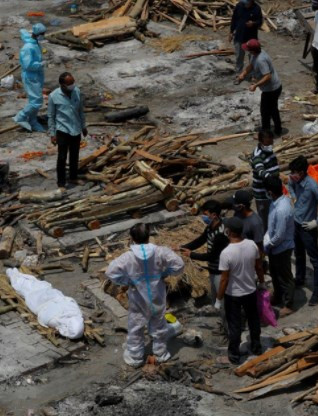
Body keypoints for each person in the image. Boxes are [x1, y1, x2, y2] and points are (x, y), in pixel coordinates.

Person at [106, 223, 185, 367]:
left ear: (131, 238)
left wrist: (128, 281)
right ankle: (160, 353)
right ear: (148, 236)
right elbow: (179, 265)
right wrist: (165, 273)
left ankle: (135, 357)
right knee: (159, 323)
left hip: (138, 296)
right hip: (157, 294)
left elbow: (111, 272)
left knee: (136, 326)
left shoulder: (127, 257)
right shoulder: (161, 252)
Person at [217, 217, 264, 364]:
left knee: (235, 325)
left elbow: (224, 279)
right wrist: (262, 282)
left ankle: (234, 354)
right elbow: (258, 266)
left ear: (228, 231)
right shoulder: (251, 245)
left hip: (233, 295)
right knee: (253, 320)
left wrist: (218, 299)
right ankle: (256, 346)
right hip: (250, 290)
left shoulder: (226, 253)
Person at [288, 156, 318, 306]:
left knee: (315, 260)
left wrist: (317, 222)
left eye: (294, 172)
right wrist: (293, 196)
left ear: (301, 172)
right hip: (296, 224)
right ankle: (299, 279)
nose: (291, 175)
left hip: (308, 228)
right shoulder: (294, 179)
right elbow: (289, 186)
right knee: (298, 254)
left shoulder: (312, 186)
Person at [179, 200, 229, 304]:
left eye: (206, 214)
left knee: (222, 301)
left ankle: (226, 319)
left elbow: (212, 256)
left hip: (220, 271)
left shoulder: (220, 233)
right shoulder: (210, 227)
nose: (203, 216)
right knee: (216, 298)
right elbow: (200, 240)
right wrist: (182, 248)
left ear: (214, 215)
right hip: (213, 269)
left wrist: (191, 255)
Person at [47, 72, 87, 190]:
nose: (72, 86)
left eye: (73, 83)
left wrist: (83, 126)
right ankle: (61, 183)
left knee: (75, 155)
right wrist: (52, 134)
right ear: (62, 85)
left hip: (75, 129)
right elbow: (51, 116)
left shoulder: (77, 92)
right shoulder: (54, 96)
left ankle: (73, 177)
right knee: (62, 157)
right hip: (62, 130)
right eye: (69, 84)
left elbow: (80, 111)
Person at [263, 176, 295, 317]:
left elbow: (280, 236)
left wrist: (268, 245)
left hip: (281, 247)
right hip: (274, 246)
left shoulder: (282, 209)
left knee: (285, 276)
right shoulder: (276, 202)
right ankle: (278, 296)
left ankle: (288, 304)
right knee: (275, 273)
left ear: (270, 191)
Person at [237, 39, 283, 136]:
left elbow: (267, 76)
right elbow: (251, 65)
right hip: (272, 87)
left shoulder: (261, 60)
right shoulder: (256, 54)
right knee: (273, 109)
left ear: (252, 50)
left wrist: (255, 85)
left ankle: (265, 134)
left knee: (265, 112)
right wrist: (243, 73)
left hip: (271, 89)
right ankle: (278, 129)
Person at [13, 23, 47, 132]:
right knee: (36, 101)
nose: (44, 35)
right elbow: (28, 65)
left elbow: (24, 33)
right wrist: (40, 64)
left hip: (37, 75)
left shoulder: (34, 42)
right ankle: (21, 116)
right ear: (37, 34)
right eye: (42, 34)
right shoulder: (28, 48)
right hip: (31, 76)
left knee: (34, 99)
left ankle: (33, 120)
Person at [249, 129, 279, 230]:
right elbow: (260, 170)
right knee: (265, 218)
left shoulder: (268, 150)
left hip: (271, 189)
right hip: (263, 193)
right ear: (262, 141)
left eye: (272, 140)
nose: (271, 142)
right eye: (269, 140)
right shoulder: (258, 155)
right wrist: (271, 179)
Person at [230, 0, 262, 79]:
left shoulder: (257, 8)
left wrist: (253, 23)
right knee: (239, 56)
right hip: (239, 35)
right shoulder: (239, 6)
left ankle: (251, 74)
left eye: (247, 3)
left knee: (252, 57)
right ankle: (238, 72)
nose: (245, 4)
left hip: (251, 37)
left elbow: (260, 22)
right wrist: (231, 32)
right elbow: (234, 19)